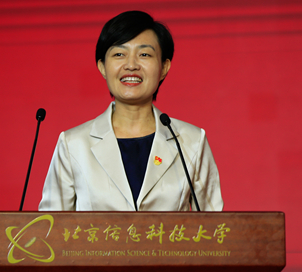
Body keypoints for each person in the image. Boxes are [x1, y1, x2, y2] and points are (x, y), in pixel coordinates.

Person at [38, 11, 223, 212]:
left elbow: (215, 225)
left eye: (144, 54)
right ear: (102, 66)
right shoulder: (74, 144)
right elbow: (51, 226)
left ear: (163, 67)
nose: (131, 65)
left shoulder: (191, 141)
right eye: (119, 54)